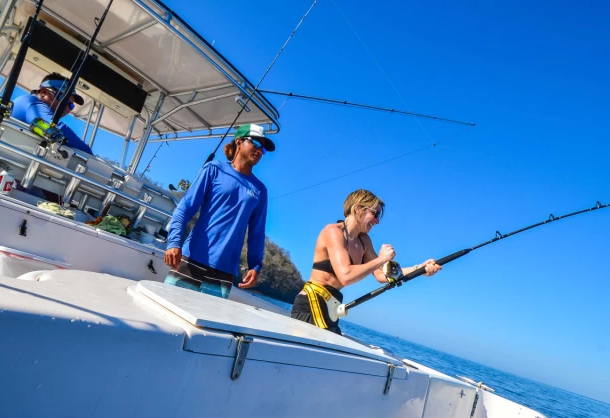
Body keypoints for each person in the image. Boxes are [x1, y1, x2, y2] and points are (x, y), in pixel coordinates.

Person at [291, 189, 442, 334]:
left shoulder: (364, 241)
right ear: (358, 209)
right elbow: (346, 276)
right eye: (375, 214)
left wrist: (420, 269)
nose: (377, 221)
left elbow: (383, 275)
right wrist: (382, 258)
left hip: (332, 308)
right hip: (311, 304)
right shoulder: (333, 232)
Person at [163, 124, 275, 299]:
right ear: (239, 141)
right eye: (256, 143)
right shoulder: (214, 169)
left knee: (203, 324)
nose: (260, 151)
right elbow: (186, 207)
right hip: (191, 260)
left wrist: (255, 266)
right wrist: (174, 242)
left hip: (224, 272)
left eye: (264, 149)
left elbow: (257, 233)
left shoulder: (260, 191)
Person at [11, 73, 92, 155]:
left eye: (70, 105)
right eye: (63, 98)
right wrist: (89, 155)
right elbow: (58, 129)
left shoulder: (27, 101)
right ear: (43, 92)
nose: (67, 108)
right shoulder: (31, 103)